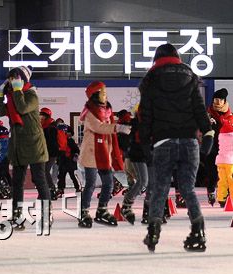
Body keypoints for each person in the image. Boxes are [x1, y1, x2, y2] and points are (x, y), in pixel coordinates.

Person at [139, 43, 214, 252]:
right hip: (190, 141)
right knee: (188, 188)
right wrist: (207, 133)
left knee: (160, 188)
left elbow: (146, 115)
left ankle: (153, 230)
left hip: (164, 142)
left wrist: (145, 143)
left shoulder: (151, 80)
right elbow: (199, 108)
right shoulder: (189, 76)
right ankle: (198, 229)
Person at [0, 66, 51, 231]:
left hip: (34, 144)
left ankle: (47, 215)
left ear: (24, 79)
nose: (13, 81)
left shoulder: (31, 94)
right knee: (17, 183)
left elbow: (23, 108)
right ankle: (17, 216)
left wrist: (17, 91)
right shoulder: (12, 97)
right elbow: (1, 111)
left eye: (16, 78)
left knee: (39, 180)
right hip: (18, 145)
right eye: (11, 78)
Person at [77, 81, 130, 228]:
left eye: (105, 92)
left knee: (109, 184)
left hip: (104, 153)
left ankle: (102, 210)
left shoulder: (107, 110)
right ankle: (84, 212)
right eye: (102, 92)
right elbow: (99, 127)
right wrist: (118, 127)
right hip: (92, 154)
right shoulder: (90, 112)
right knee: (91, 184)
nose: (105, 95)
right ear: (95, 94)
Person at [207, 88, 229, 207]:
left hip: (225, 148)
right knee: (213, 172)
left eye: (220, 99)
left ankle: (224, 196)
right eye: (216, 99)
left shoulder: (229, 115)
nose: (218, 102)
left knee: (226, 173)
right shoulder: (208, 114)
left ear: (224, 101)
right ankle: (211, 191)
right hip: (212, 147)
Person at [39, 107, 59, 199]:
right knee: (44, 171)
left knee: (45, 171)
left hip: (51, 153)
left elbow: (51, 142)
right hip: (47, 152)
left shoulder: (50, 127)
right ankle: (48, 190)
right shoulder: (46, 126)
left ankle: (52, 189)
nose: (40, 117)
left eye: (42, 115)